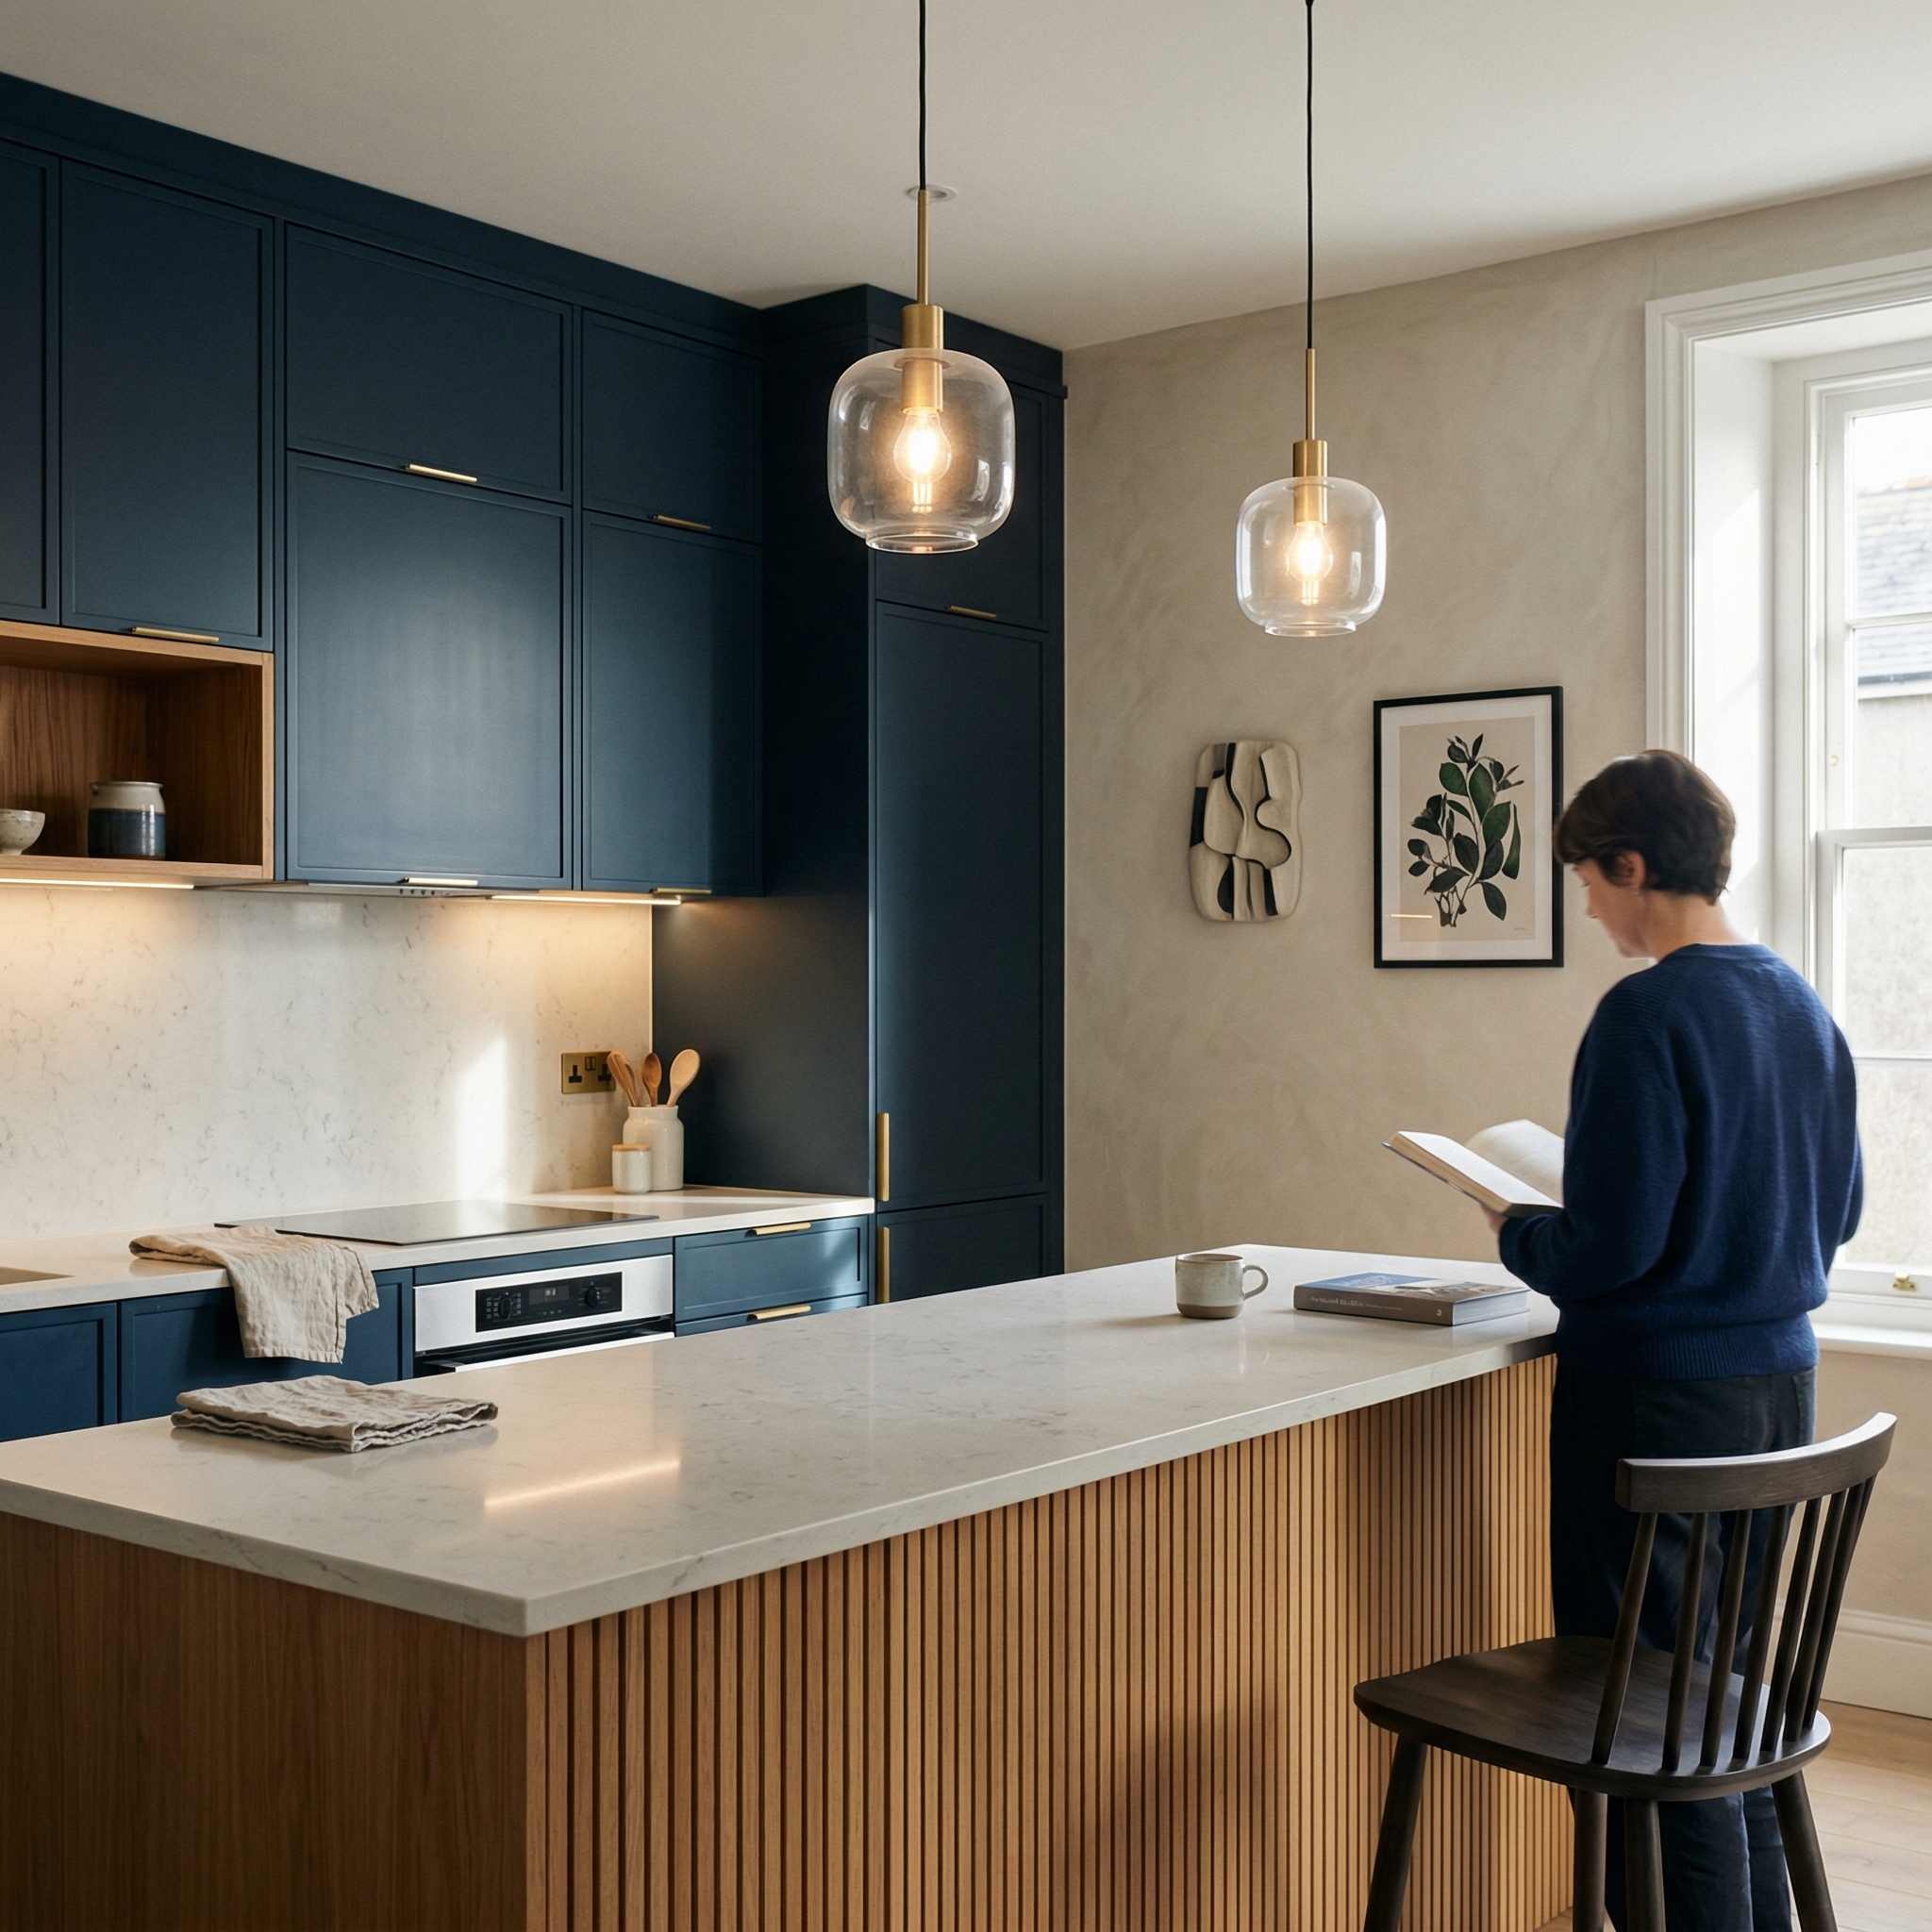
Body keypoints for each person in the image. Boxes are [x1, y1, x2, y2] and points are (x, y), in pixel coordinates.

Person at [1487, 751, 1861, 1932]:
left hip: (1651, 1407)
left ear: (1631, 863)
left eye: (1588, 881)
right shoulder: (1799, 1004)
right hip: (1777, 1394)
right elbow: (1842, 1209)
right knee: (1723, 1706)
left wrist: (1516, 1228)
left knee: (1650, 1719)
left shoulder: (1645, 1012)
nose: (1589, 907)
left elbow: (1607, 1247)